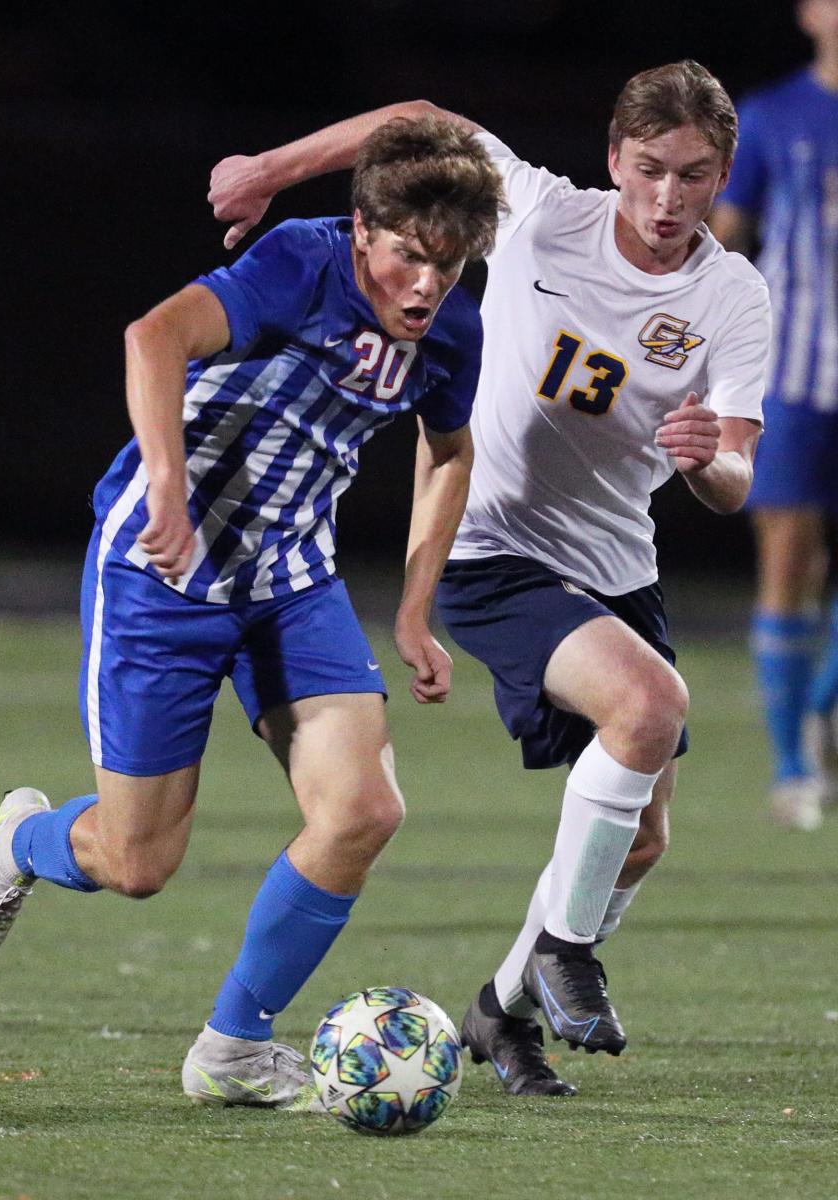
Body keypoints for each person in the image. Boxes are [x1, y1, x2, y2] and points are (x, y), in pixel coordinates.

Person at [207, 60, 770, 1097]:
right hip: (494, 548)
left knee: (639, 842)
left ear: (721, 173)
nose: (666, 199)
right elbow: (421, 116)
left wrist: (705, 463)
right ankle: (564, 953)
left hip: (617, 567)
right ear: (615, 161)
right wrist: (270, 170)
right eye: (648, 170)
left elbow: (737, 476)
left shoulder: (730, 295)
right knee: (649, 706)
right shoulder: (543, 212)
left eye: (692, 176)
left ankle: (501, 1011)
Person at [0, 116, 506, 1110]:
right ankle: (25, 841)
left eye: (451, 266)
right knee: (136, 864)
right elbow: (153, 336)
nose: (427, 287)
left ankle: (234, 1049)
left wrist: (418, 610)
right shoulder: (301, 263)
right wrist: (166, 482)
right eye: (411, 259)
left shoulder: (454, 326)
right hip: (162, 575)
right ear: (367, 230)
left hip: (290, 581)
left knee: (364, 810)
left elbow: (450, 450)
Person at [711, 0, 838, 833]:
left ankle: (820, 706)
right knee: (789, 559)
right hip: (793, 378)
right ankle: (795, 765)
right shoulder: (771, 115)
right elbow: (725, 244)